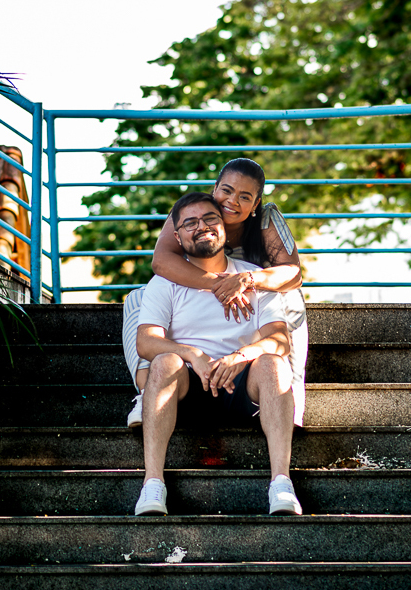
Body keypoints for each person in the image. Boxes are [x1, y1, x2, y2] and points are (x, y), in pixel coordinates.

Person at [133, 191, 301, 516]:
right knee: (165, 359)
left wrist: (242, 356)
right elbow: (147, 342)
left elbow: (279, 339)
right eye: (190, 223)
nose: (202, 227)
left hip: (241, 389)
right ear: (177, 236)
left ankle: (281, 483)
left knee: (273, 362)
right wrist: (191, 354)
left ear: (223, 226)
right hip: (185, 394)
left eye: (210, 218)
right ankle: (153, 484)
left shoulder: (251, 277)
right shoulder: (165, 282)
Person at [122, 158, 308, 428]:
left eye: (245, 196)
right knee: (138, 298)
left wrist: (245, 280)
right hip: (200, 297)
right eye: (227, 190)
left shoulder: (266, 220)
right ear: (214, 189)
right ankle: (147, 393)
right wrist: (220, 285)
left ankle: (288, 394)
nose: (232, 201)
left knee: (290, 297)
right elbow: (161, 263)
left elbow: (293, 274)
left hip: (254, 307)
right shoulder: (192, 211)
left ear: (256, 204)